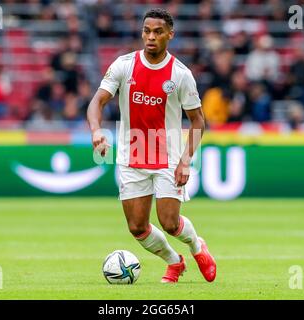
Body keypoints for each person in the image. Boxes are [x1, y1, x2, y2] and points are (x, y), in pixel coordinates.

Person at [87, 8, 216, 283]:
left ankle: (197, 247)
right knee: (136, 227)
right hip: (131, 155)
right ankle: (174, 262)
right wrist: (97, 130)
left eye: (158, 32)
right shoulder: (124, 65)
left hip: (168, 156)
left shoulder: (180, 74)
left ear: (170, 35)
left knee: (170, 223)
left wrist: (185, 160)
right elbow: (97, 101)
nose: (151, 37)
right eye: (147, 31)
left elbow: (198, 122)